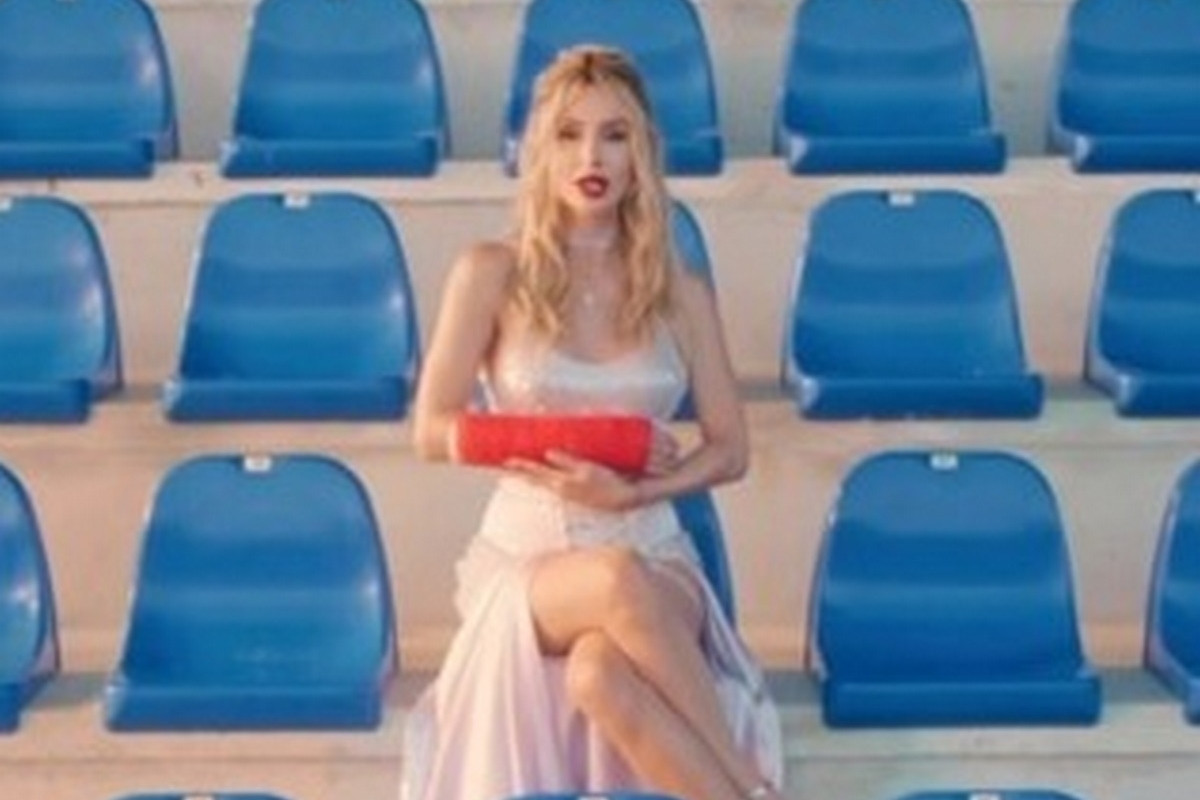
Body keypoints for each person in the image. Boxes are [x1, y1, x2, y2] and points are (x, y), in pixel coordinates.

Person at [402, 45, 785, 800]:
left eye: (615, 135)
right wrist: (572, 445)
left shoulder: (681, 290)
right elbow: (432, 431)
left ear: (641, 153)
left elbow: (730, 448)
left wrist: (634, 493)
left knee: (598, 673)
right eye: (570, 134)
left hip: (656, 551)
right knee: (612, 579)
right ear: (541, 150)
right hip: (528, 558)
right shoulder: (490, 271)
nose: (592, 157)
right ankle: (755, 787)